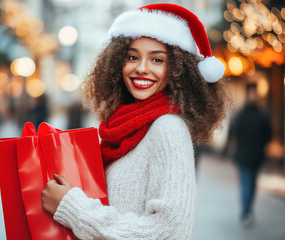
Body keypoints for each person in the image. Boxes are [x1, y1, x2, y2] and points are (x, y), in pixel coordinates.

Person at [42, 3, 227, 239]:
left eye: (157, 60)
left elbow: (171, 231)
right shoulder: (122, 126)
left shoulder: (168, 128)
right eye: (132, 57)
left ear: (177, 70)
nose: (141, 68)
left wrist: (73, 208)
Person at [229, 82, 271, 227]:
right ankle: (249, 211)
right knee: (252, 184)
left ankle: (246, 212)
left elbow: (233, 132)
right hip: (257, 156)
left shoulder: (241, 115)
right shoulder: (262, 116)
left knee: (246, 184)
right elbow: (268, 135)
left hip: (243, 155)